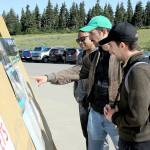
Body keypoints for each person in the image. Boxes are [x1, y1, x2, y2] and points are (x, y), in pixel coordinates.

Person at [33, 31, 96, 149]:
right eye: (78, 40)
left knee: (97, 139)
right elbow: (72, 76)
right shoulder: (81, 55)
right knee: (88, 136)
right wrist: (52, 80)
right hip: (82, 102)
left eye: (83, 39)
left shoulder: (97, 56)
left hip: (94, 105)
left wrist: (49, 77)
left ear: (92, 37)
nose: (80, 43)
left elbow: (75, 72)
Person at [100, 22, 150, 150]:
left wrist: (114, 117)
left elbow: (138, 117)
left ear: (122, 45)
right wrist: (117, 108)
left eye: (111, 46)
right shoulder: (134, 65)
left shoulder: (138, 71)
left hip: (137, 143)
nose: (110, 51)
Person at [79, 15, 122, 150]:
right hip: (96, 113)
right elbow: (77, 71)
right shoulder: (94, 55)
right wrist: (48, 77)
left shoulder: (120, 54)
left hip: (115, 115)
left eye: (92, 33)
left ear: (104, 32)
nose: (90, 37)